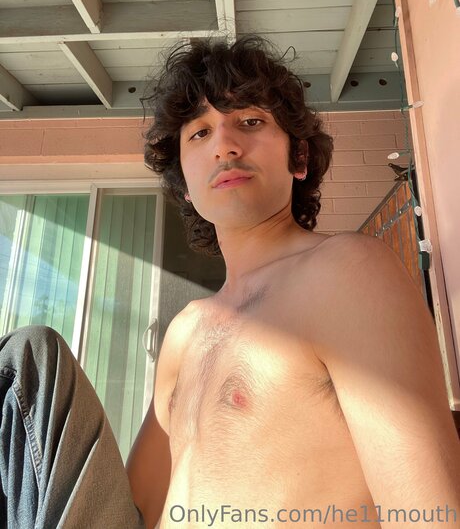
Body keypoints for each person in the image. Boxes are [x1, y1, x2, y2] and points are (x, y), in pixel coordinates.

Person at [127, 35, 460, 528]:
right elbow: (133, 508)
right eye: (199, 133)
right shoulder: (183, 332)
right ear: (185, 185)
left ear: (299, 158)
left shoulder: (347, 272)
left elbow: (431, 515)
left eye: (250, 121)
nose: (224, 145)